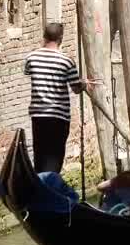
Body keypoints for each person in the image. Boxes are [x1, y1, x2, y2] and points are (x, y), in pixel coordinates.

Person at [23, 21, 91, 173]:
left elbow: (28, 71)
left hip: (38, 115)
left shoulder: (31, 57)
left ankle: (41, 183)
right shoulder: (66, 62)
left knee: (40, 155)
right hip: (58, 117)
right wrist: (84, 83)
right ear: (61, 39)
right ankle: (51, 183)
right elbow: (75, 88)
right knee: (55, 157)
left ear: (44, 37)